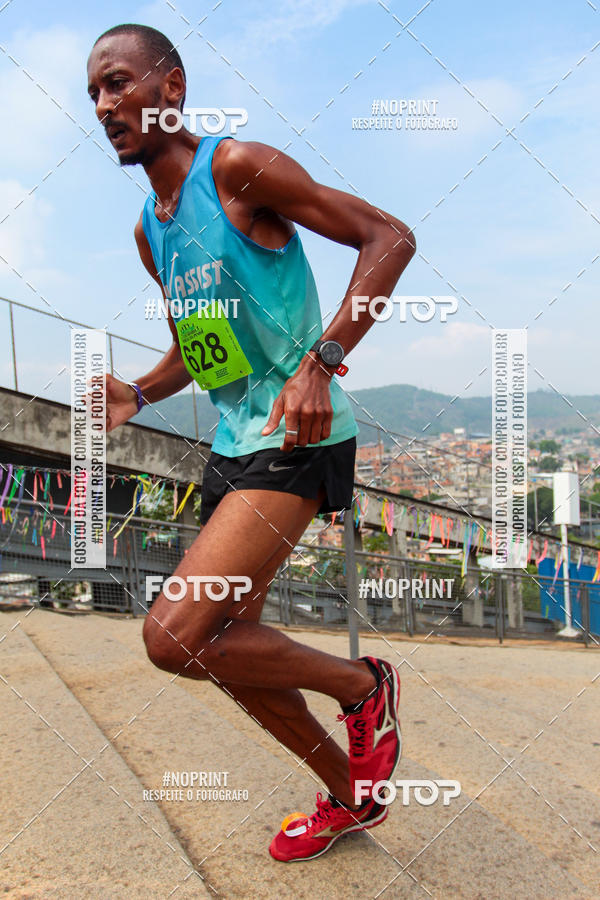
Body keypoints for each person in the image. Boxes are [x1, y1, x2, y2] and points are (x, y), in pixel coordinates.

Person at [87, 23, 416, 862]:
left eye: (118, 82)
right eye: (93, 94)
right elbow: (200, 350)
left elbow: (390, 238)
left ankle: (362, 686)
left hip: (299, 435)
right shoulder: (151, 229)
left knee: (174, 637)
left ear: (171, 86)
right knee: (227, 653)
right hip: (235, 447)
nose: (104, 105)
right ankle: (352, 796)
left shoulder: (236, 168)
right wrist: (139, 391)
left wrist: (321, 363)